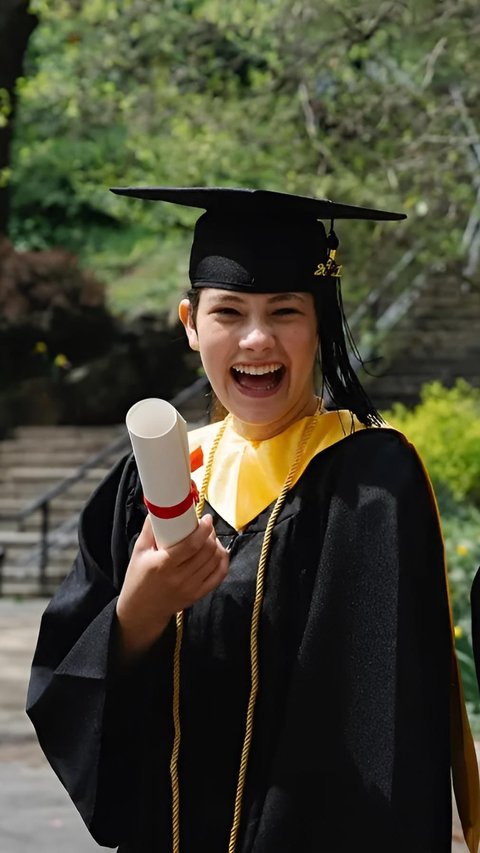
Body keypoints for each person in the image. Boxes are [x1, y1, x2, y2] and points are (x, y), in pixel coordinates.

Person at [27, 187, 480, 853]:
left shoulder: (371, 482)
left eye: (285, 312)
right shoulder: (149, 481)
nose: (257, 338)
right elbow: (71, 698)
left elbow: (382, 729)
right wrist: (137, 614)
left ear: (320, 322)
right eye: (229, 311)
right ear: (190, 321)